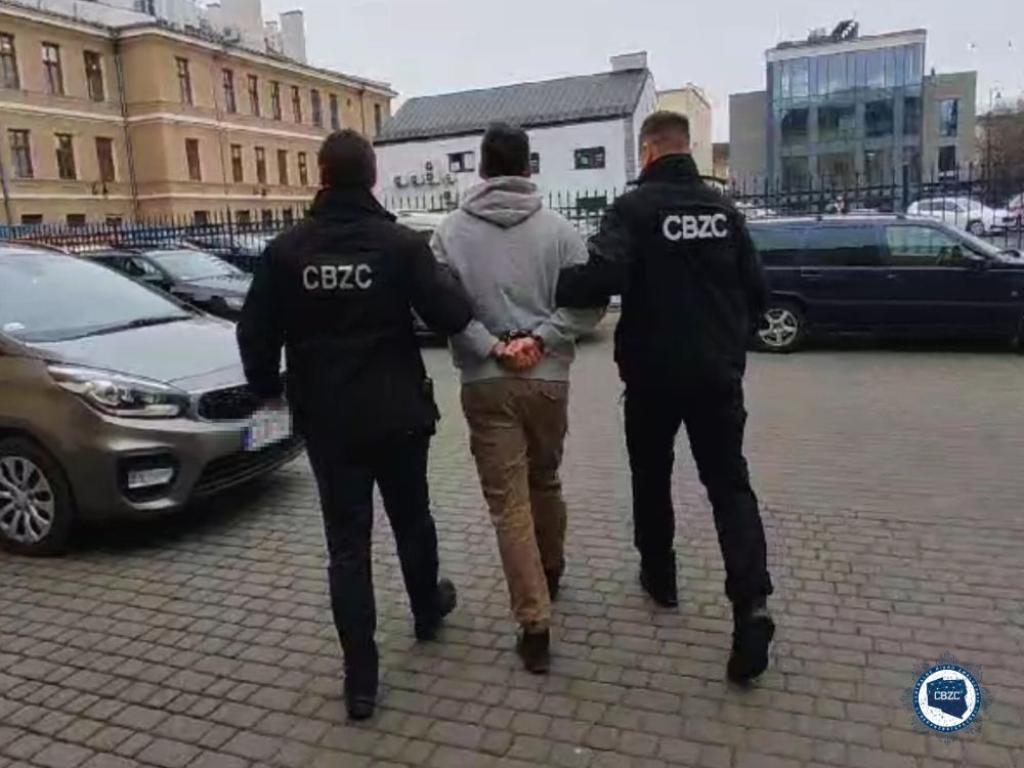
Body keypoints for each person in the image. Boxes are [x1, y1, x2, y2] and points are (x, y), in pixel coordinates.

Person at [237, 130, 473, 720]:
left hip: (329, 422)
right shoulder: (399, 245)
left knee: (347, 546)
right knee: (412, 518)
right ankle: (426, 610)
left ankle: (361, 681)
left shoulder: (287, 252)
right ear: (372, 177)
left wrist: (268, 390)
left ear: (321, 176)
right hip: (398, 414)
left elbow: (255, 332)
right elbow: (451, 314)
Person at [555, 111, 775, 684]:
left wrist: (555, 281)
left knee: (651, 476)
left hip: (652, 377)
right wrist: (730, 342)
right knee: (729, 486)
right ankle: (751, 603)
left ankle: (661, 576)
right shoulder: (724, 211)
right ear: (687, 148)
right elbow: (758, 291)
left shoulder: (634, 209)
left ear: (649, 151)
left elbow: (600, 277)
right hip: (716, 377)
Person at [431, 123, 603, 674]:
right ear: (529, 167)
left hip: (486, 381)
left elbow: (439, 308)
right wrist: (542, 340)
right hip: (549, 380)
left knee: (509, 503)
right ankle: (550, 568)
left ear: (481, 168)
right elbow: (589, 305)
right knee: (545, 479)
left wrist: (492, 346)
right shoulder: (563, 232)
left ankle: (534, 624)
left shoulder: (448, 234)